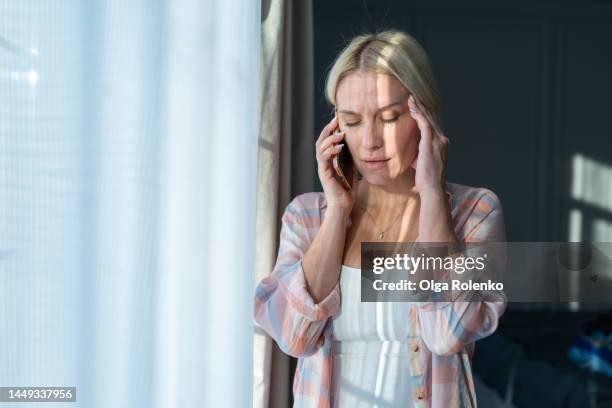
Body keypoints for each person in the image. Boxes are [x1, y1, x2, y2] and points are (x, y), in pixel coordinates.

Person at [254, 30, 507, 408]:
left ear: (424, 116)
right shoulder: (306, 217)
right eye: (352, 122)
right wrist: (338, 211)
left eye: (388, 118)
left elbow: (448, 333)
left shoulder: (474, 211)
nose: (370, 141)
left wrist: (433, 195)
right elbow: (294, 337)